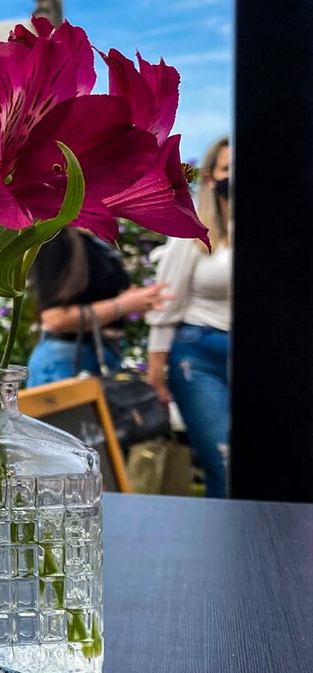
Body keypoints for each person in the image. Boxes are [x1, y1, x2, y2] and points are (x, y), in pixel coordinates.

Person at [147, 137, 232, 498]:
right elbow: (166, 303)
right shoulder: (194, 230)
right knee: (225, 462)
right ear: (211, 176)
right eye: (228, 168)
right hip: (199, 356)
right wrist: (156, 373)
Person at [27, 227, 172, 386]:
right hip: (67, 362)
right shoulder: (58, 240)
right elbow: (55, 319)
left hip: (100, 355)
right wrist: (123, 305)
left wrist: (132, 300)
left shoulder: (94, 240)